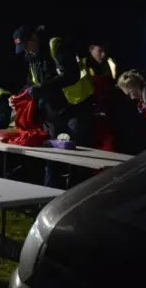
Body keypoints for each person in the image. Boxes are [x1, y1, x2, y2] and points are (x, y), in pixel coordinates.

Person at [11, 25, 95, 188]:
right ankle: (47, 203)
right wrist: (17, 97)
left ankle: (75, 203)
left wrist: (40, 89)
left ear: (34, 38)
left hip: (76, 109)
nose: (26, 51)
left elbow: (71, 75)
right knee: (51, 160)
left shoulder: (56, 46)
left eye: (26, 46)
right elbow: (31, 84)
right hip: (54, 114)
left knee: (78, 160)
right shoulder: (32, 58)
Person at [81, 43, 118, 152]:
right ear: (91, 49)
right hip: (89, 115)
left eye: (105, 51)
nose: (104, 54)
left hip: (108, 114)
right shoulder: (81, 65)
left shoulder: (110, 63)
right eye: (100, 51)